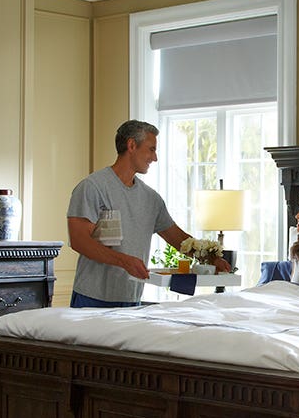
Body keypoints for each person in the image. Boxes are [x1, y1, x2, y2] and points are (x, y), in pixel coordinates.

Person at [66, 120, 231, 307]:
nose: (155, 158)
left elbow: (179, 239)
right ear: (131, 145)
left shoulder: (151, 199)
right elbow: (79, 240)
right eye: (151, 149)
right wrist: (125, 262)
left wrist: (211, 258)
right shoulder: (93, 187)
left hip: (131, 299)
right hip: (91, 298)